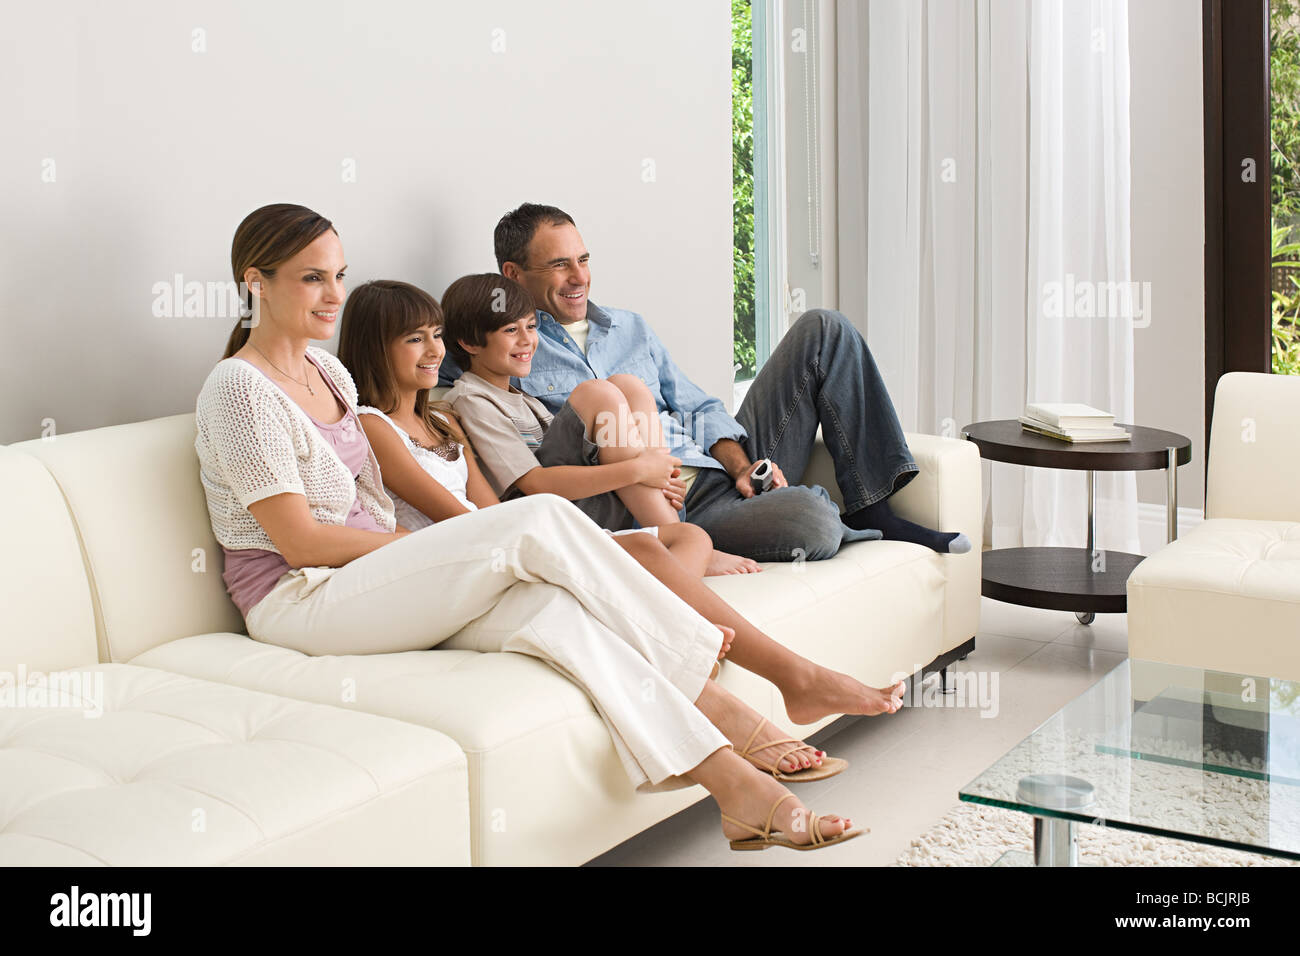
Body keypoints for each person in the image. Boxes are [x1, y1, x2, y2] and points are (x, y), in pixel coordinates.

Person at [194, 203, 862, 851]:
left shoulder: (327, 371)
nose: (333, 292)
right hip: (301, 597)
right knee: (535, 517)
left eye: (338, 274)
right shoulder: (239, 387)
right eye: (313, 277)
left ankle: (741, 795)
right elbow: (301, 543)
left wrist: (427, 553)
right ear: (255, 284)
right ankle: (786, 676)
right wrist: (425, 548)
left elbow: (377, 495)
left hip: (368, 579)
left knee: (556, 614)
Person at [335, 276, 906, 779]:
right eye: (416, 339)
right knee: (606, 396)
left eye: (434, 335)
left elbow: (488, 514)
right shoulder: (389, 421)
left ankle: (755, 661)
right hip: (500, 550)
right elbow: (491, 514)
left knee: (688, 532)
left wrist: (700, 466)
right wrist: (637, 469)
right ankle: (787, 677)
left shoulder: (446, 417)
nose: (433, 350)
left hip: (525, 534)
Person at [438, 202, 971, 564]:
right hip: (652, 496)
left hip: (713, 468)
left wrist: (742, 465)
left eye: (583, 260)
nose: (579, 277)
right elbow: (447, 372)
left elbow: (695, 405)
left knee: (823, 328)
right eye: (559, 265)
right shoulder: (506, 350)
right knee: (814, 523)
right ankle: (731, 529)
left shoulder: (629, 326)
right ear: (513, 275)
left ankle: (872, 505)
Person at [437, 273, 756, 576]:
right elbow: (535, 485)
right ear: (469, 343)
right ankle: (674, 539)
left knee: (628, 385)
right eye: (510, 331)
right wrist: (640, 470)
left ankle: (669, 523)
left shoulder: (523, 398)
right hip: (546, 517)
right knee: (597, 392)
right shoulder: (472, 400)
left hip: (583, 505)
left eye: (531, 327)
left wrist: (659, 474)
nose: (527, 340)